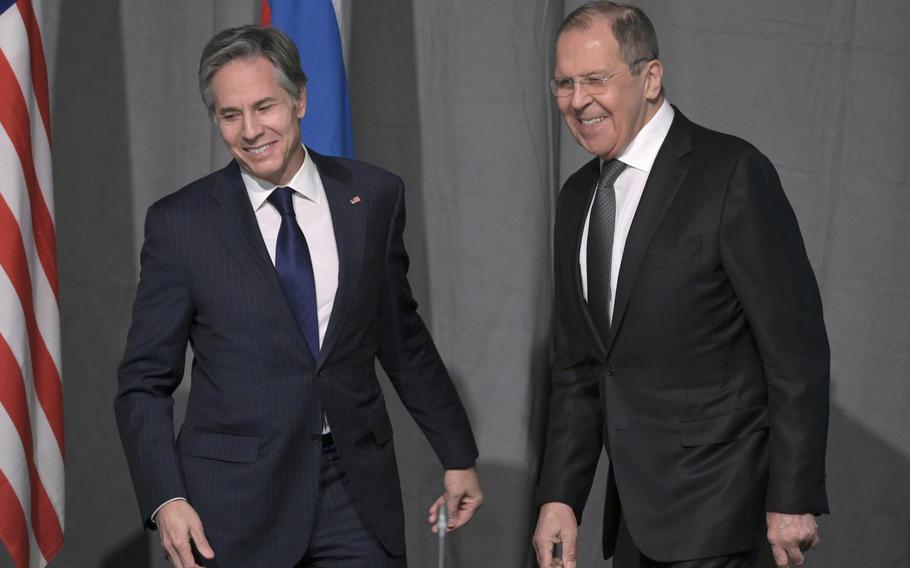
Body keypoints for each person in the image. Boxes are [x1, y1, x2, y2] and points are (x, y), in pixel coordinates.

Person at [115, 25, 482, 568]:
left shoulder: (373, 196)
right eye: (230, 114)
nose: (251, 130)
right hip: (233, 504)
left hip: (353, 488)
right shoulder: (180, 224)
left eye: (265, 107)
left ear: (301, 99)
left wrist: (456, 454)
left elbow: (401, 336)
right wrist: (167, 498)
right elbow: (144, 380)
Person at [532, 3, 829, 568]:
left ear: (650, 78)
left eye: (596, 79)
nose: (578, 100)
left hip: (725, 510)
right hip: (635, 525)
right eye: (564, 83)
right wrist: (560, 497)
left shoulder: (731, 172)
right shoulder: (578, 198)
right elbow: (580, 367)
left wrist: (793, 497)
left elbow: (795, 349)